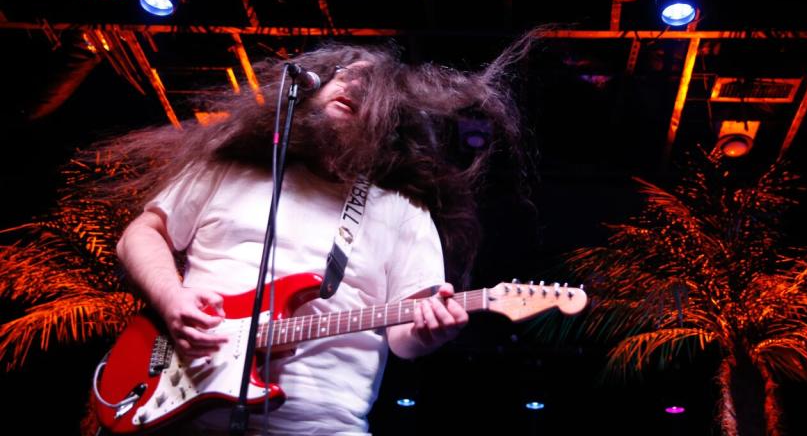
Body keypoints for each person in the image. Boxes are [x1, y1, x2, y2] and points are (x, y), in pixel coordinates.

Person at [109, 35, 537, 435]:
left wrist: (431, 331)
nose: (350, 83)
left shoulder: (403, 210)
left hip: (321, 422)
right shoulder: (229, 167)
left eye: (371, 86)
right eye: (343, 73)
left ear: (390, 123)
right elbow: (142, 233)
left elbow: (404, 338)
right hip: (177, 405)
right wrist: (171, 297)